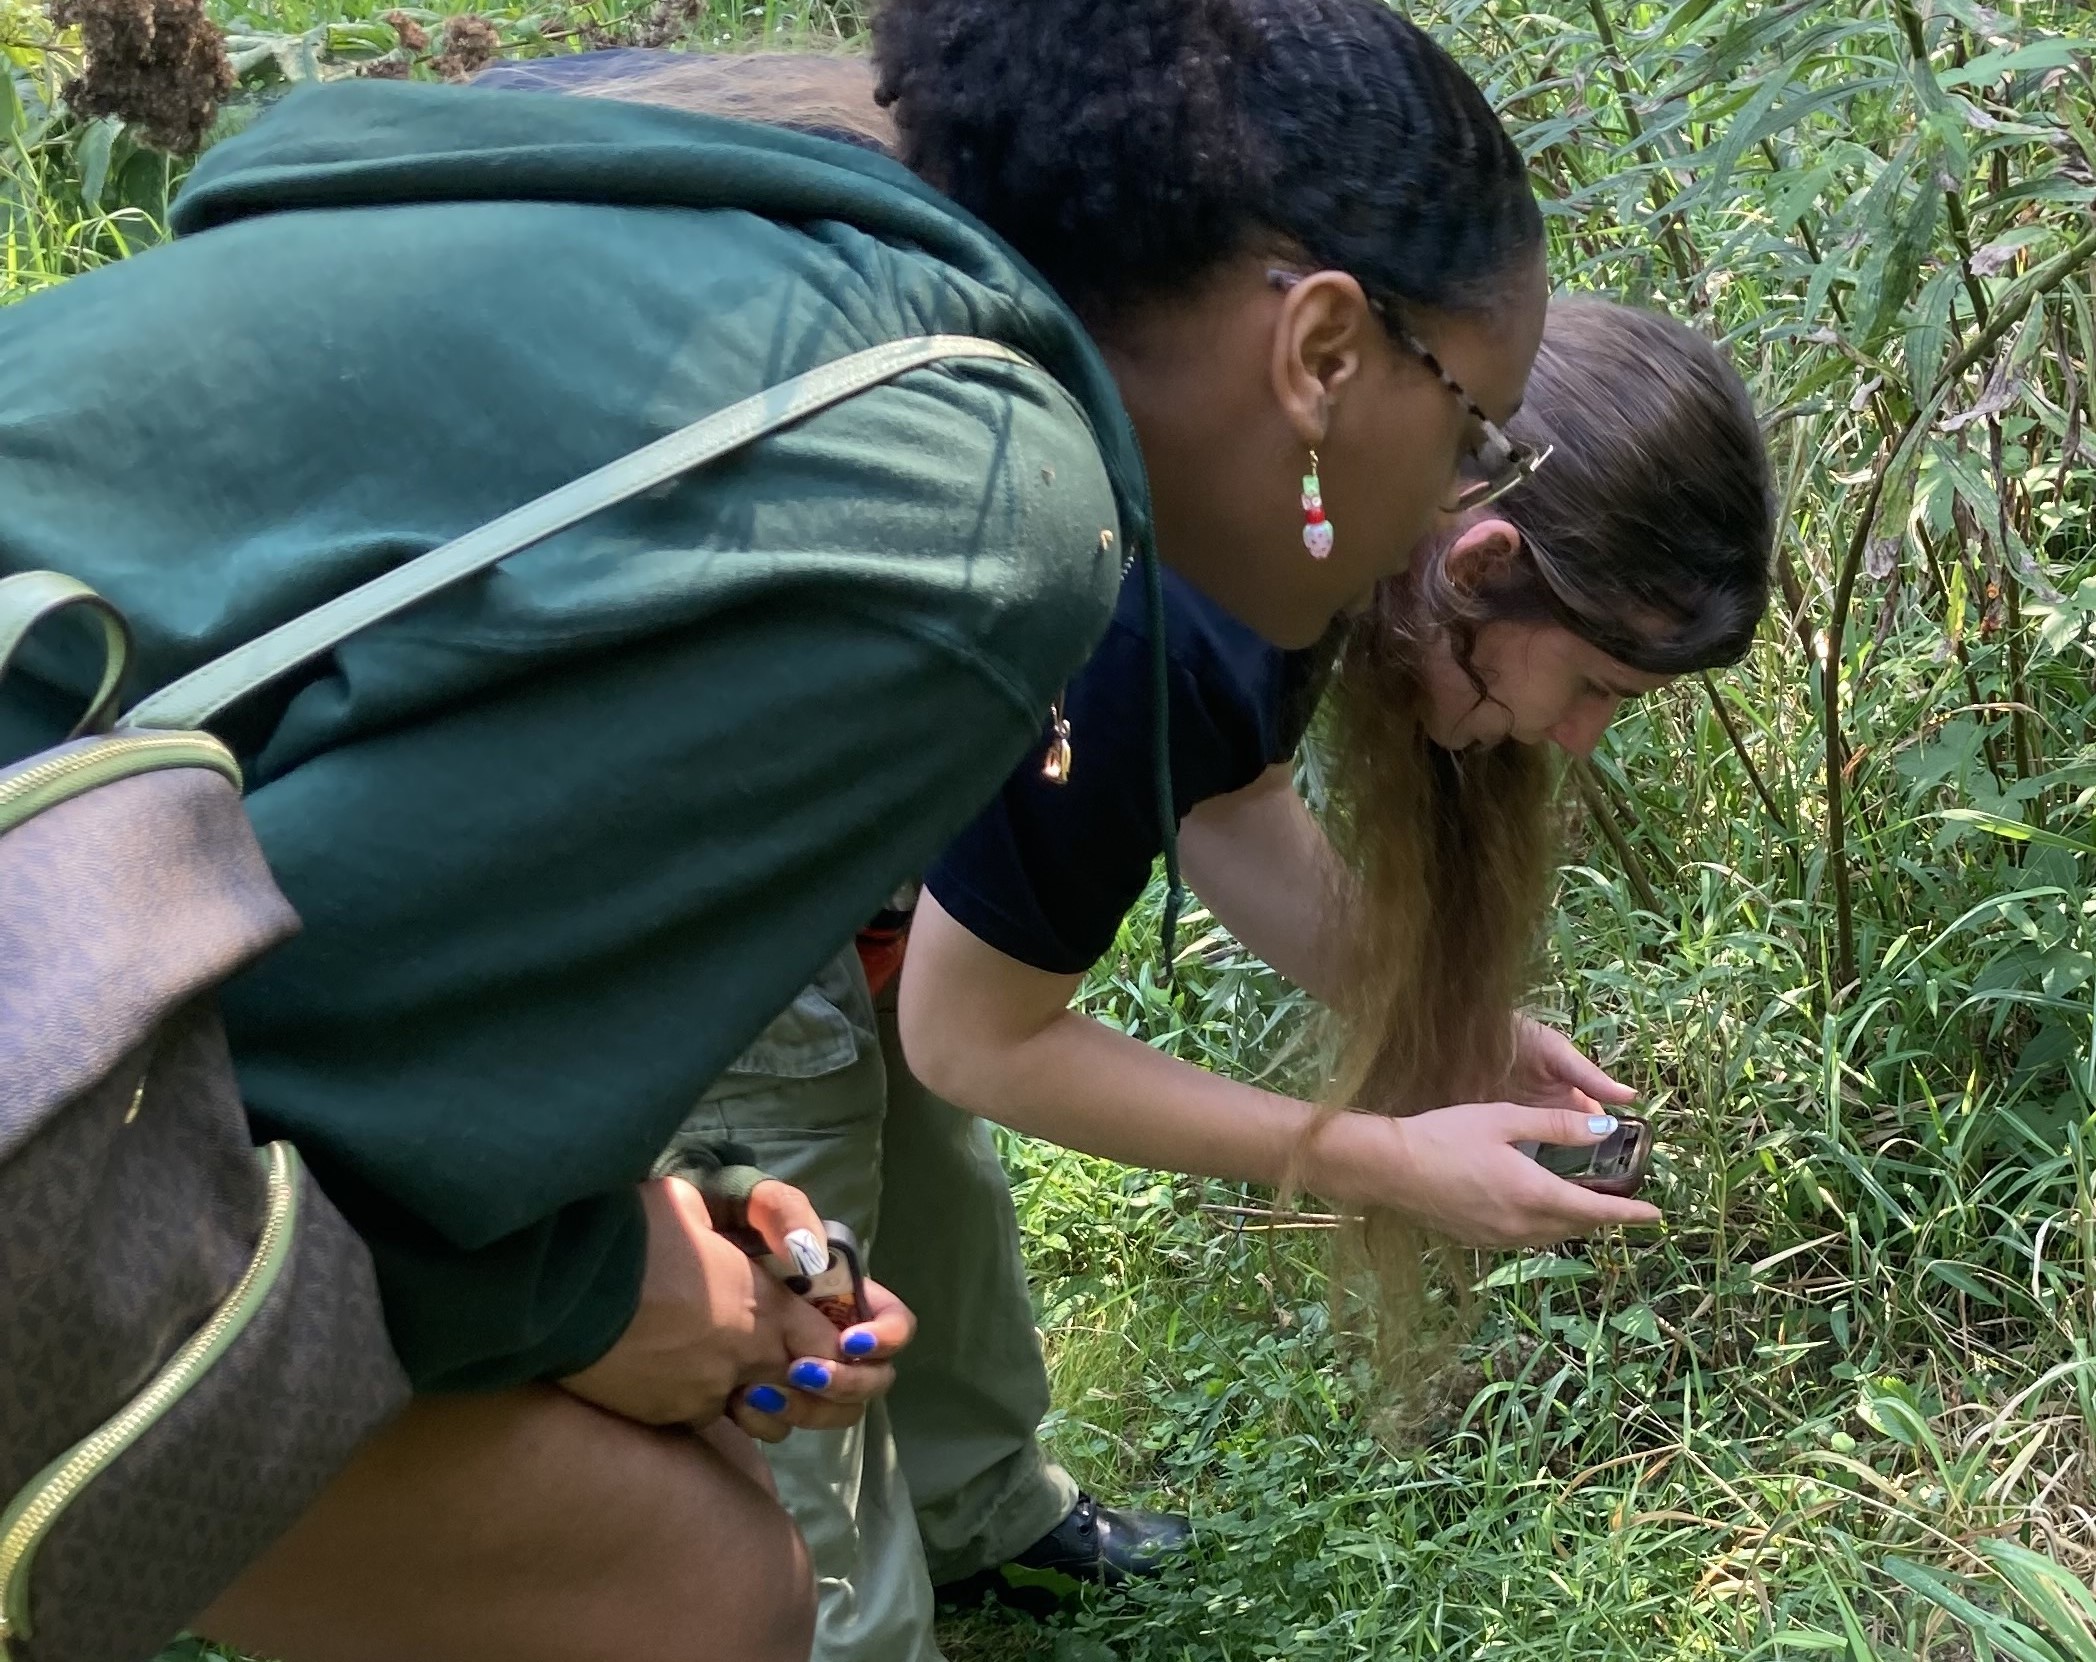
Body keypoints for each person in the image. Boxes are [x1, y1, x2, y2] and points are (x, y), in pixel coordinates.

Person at [0, 3, 1548, 1660]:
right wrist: (596, 1302)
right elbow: (299, 1107)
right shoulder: (984, 507)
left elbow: (406, 879)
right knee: (690, 1584)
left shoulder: (785, 192)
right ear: (1321, 353)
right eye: (1471, 428)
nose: (1464, 495)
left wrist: (654, 1219)